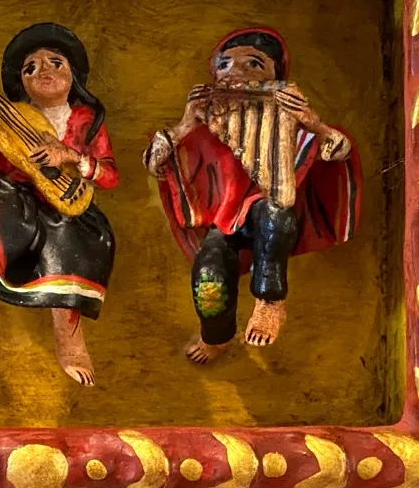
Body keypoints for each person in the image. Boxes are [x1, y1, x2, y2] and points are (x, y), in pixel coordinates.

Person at [144, 26, 360, 363]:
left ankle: (269, 300)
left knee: (275, 213)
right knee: (208, 275)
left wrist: (313, 123)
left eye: (254, 64)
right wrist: (186, 124)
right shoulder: (207, 121)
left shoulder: (285, 118)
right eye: (225, 64)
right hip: (224, 222)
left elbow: (339, 152)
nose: (236, 72)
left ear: (276, 76)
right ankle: (216, 336)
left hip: (272, 213)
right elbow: (154, 163)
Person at [0, 23, 117, 386]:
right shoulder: (15, 117)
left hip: (69, 205)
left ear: (74, 74)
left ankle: (71, 345)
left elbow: (110, 176)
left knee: (66, 244)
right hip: (24, 198)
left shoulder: (87, 121)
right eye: (30, 67)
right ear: (21, 83)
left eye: (55, 62)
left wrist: (71, 156)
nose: (43, 71)